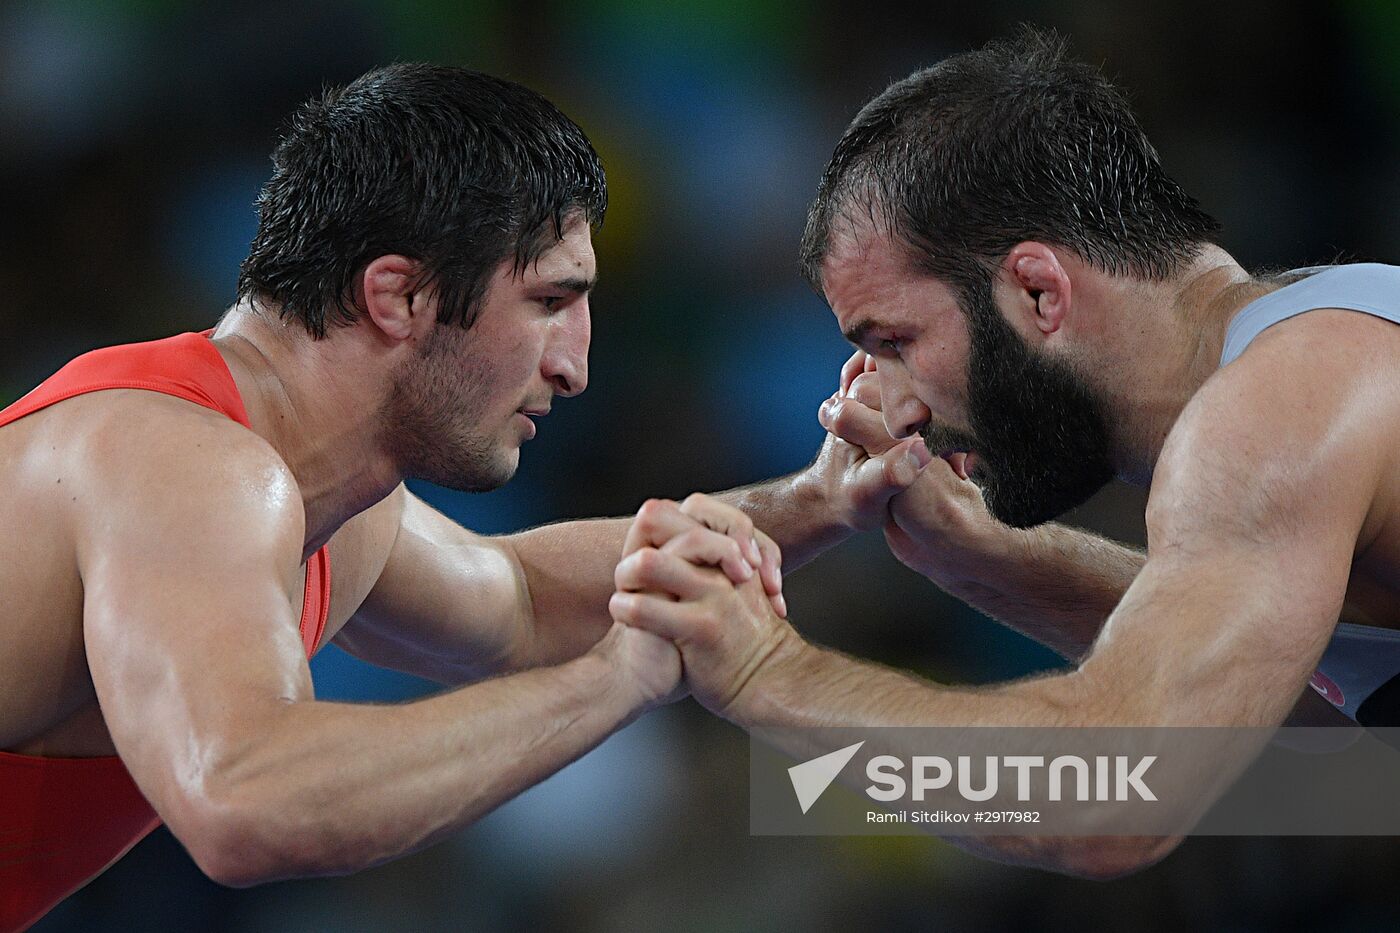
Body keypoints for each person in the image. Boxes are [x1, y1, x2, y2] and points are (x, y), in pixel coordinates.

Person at [0, 63, 809, 931]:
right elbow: (243, 795)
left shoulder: (321, 497)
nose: (574, 368)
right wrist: (612, 685)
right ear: (399, 294)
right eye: (547, 301)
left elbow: (524, 603)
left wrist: (829, 499)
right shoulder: (190, 468)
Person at [610, 27, 1400, 878]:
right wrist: (991, 563)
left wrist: (766, 671)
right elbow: (1316, 726)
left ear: (1037, 290)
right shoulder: (1337, 339)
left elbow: (1111, 802)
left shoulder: (1276, 409)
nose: (895, 401)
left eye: (898, 340)